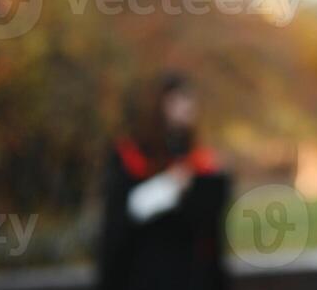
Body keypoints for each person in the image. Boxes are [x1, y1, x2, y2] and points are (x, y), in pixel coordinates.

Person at [97, 71, 229, 290]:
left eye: (189, 99)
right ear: (159, 106)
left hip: (189, 275)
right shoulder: (131, 155)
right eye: (177, 100)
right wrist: (169, 186)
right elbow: (121, 218)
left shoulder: (198, 157)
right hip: (144, 274)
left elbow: (209, 232)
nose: (186, 107)